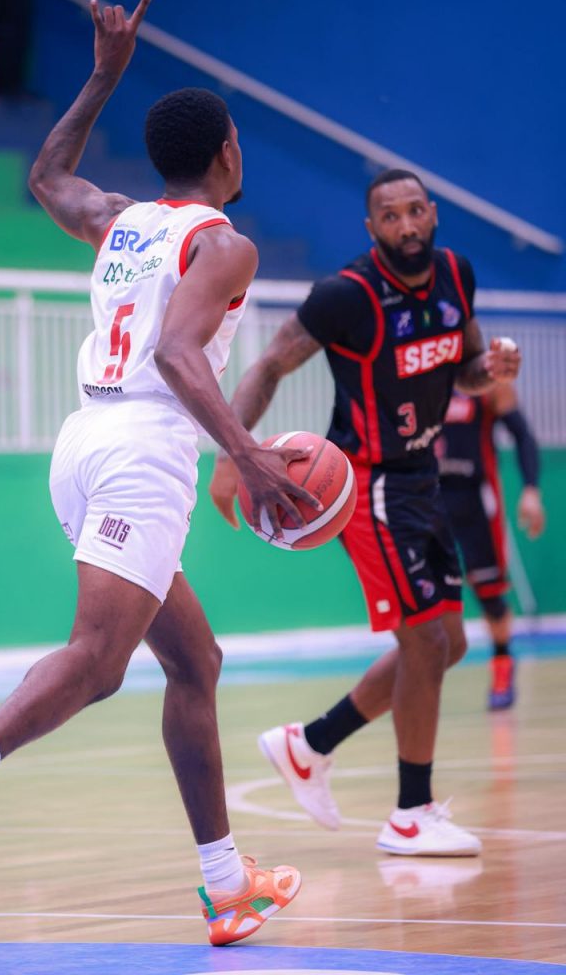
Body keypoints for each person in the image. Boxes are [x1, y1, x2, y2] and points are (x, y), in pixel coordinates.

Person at [0, 0, 311, 947]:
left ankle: (227, 884)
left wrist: (101, 77)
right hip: (144, 451)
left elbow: (48, 175)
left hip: (83, 443)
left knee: (194, 661)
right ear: (230, 153)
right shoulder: (224, 244)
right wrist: (247, 453)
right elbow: (177, 353)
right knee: (99, 660)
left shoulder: (122, 221)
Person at [210, 169, 521, 857]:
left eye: (414, 211)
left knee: (449, 643)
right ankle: (411, 814)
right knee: (424, 642)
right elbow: (270, 364)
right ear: (370, 227)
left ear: (432, 213)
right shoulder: (346, 295)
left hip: (422, 475)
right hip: (366, 482)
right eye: (390, 216)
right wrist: (234, 453)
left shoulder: (456, 276)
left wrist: (492, 370)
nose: (406, 226)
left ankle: (309, 745)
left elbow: (466, 369)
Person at [436, 385, 545, 710]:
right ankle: (418, 677)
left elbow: (523, 435)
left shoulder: (490, 383)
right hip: (429, 496)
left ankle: (502, 664)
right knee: (420, 593)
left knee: (490, 592)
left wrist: (531, 490)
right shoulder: (420, 374)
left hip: (477, 499)